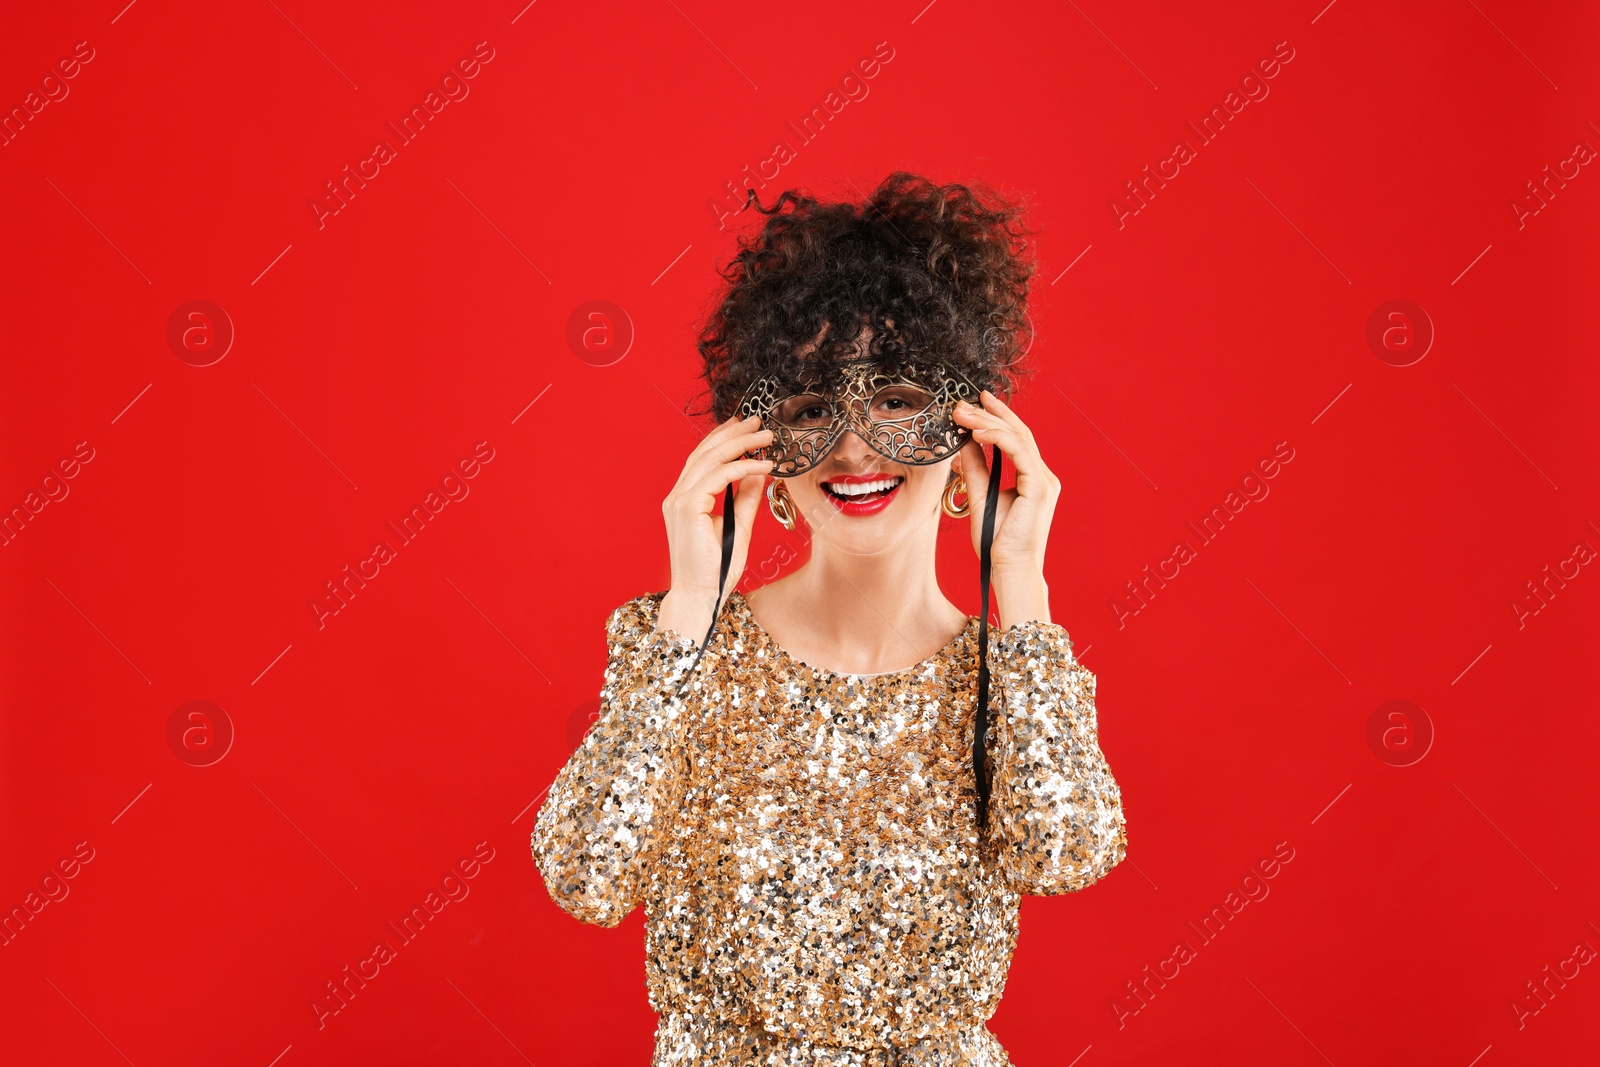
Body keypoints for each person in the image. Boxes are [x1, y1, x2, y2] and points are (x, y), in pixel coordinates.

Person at [532, 172, 1127, 1066]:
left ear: (968, 425)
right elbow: (585, 875)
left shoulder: (1006, 675)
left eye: (896, 399)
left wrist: (1021, 584)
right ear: (764, 446)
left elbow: (1067, 851)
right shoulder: (690, 653)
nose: (854, 448)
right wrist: (688, 614)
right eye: (814, 406)